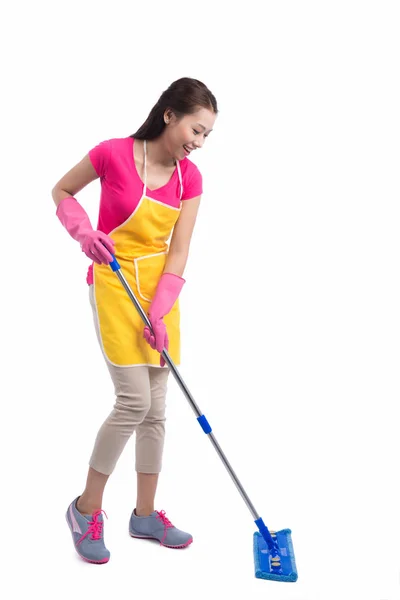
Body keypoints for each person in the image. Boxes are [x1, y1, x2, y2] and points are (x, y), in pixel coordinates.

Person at [52, 77, 218, 564]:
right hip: (113, 282)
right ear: (170, 114)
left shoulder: (191, 179)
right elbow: (61, 190)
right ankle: (86, 509)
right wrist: (84, 232)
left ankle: (144, 515)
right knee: (133, 401)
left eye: (208, 135)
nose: (199, 142)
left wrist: (161, 311)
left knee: (158, 409)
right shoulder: (113, 153)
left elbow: (180, 249)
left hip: (159, 293)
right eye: (196, 128)